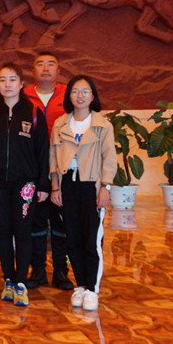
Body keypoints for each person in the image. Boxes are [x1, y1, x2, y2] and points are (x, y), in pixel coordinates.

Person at [0, 62, 49, 307]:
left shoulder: (33, 113)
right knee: (3, 231)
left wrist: (43, 185)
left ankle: (20, 282)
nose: (7, 84)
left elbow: (43, 152)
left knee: (23, 231)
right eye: (3, 80)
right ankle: (8, 279)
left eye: (12, 79)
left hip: (25, 183)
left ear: (21, 83)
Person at [50, 75, 115, 311]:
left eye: (85, 91)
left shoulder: (103, 125)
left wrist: (105, 187)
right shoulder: (60, 124)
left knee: (92, 240)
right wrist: (55, 187)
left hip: (92, 185)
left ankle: (92, 289)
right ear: (69, 96)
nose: (80, 96)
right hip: (68, 184)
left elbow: (110, 158)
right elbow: (53, 158)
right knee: (73, 238)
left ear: (93, 95)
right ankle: (80, 285)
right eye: (75, 91)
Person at [23, 52, 73, 291]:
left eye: (51, 64)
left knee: (61, 222)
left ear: (58, 70)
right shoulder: (23, 95)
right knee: (36, 221)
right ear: (33, 70)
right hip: (32, 167)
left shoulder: (69, 94)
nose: (45, 68)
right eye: (40, 64)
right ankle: (38, 270)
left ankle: (61, 271)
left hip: (63, 167)